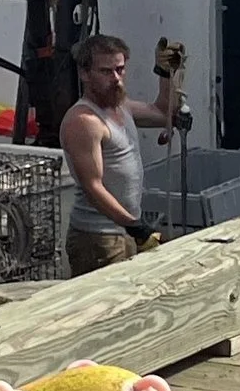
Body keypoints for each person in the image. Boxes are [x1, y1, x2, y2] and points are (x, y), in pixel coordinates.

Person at [60, 31, 181, 276]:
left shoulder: (121, 107)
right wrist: (137, 227)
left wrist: (166, 73)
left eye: (120, 69)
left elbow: (164, 113)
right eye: (106, 72)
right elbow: (93, 187)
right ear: (85, 74)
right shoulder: (84, 120)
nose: (116, 78)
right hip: (98, 239)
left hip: (124, 232)